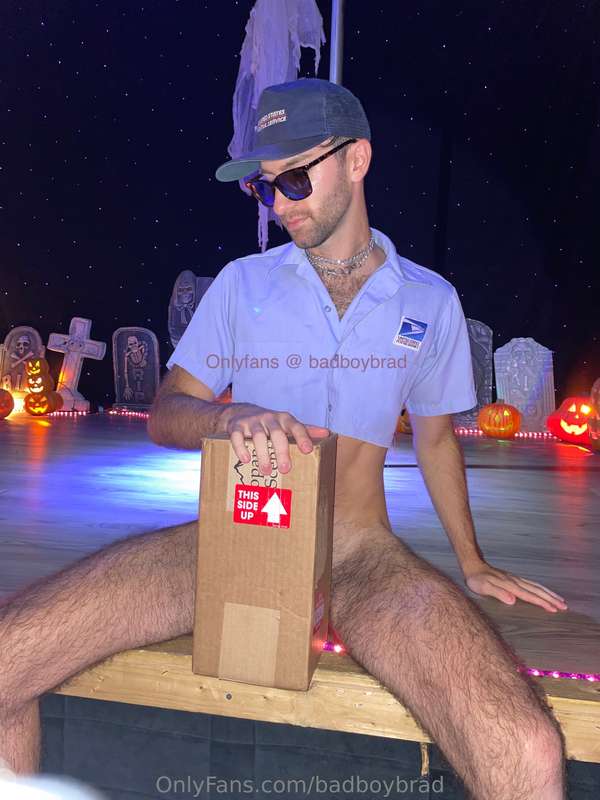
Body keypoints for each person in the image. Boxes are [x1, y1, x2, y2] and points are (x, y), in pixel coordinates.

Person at [0, 78, 568, 799]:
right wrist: (225, 417)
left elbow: (436, 442)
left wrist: (473, 561)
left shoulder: (429, 300)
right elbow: (169, 411)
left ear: (357, 160)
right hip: (230, 542)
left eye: (295, 178)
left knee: (525, 748)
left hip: (359, 554)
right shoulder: (243, 285)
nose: (280, 202)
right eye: (265, 187)